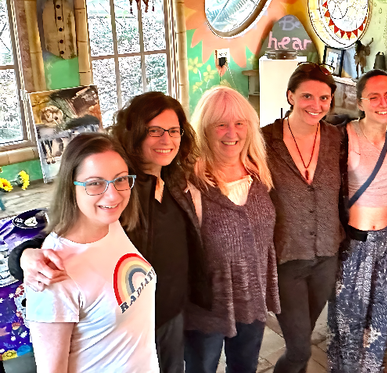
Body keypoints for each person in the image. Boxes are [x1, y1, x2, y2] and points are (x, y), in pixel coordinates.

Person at [10, 92, 211, 373]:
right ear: (135, 132)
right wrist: (23, 256)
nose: (166, 139)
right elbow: (69, 237)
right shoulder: (123, 191)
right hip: (130, 323)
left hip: (167, 316)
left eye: (173, 131)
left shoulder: (172, 179)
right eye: (154, 131)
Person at [26, 132, 159, 372]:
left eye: (120, 179)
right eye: (95, 183)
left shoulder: (112, 224)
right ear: (71, 187)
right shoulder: (52, 271)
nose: (113, 194)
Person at [184, 86, 279, 373]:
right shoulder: (190, 182)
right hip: (207, 307)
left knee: (245, 368)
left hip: (252, 299)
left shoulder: (259, 173)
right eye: (220, 125)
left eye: (239, 123)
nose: (231, 133)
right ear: (204, 130)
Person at [261, 63, 344, 373]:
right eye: (307, 96)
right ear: (290, 96)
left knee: (303, 338)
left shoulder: (336, 138)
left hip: (326, 256)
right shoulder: (265, 140)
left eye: (324, 98)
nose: (316, 105)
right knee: (299, 350)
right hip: (287, 259)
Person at [327, 69, 387, 372]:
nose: (383, 103)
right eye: (374, 97)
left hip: (386, 245)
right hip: (352, 246)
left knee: (379, 322)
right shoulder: (341, 136)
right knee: (348, 322)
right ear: (360, 102)